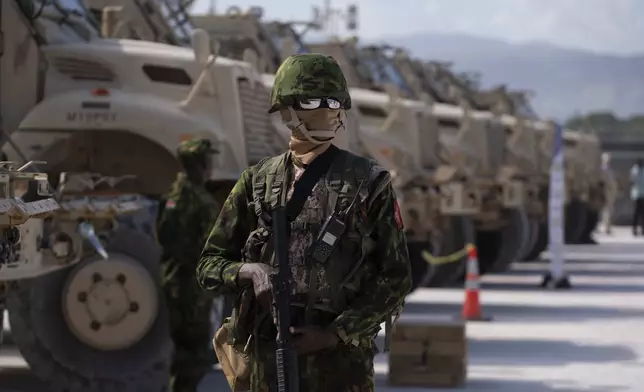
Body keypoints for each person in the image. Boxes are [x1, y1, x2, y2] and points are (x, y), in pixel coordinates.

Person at [197, 53, 412, 392]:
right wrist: (252, 272)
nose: (326, 109)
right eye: (312, 101)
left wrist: (334, 334)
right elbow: (209, 265)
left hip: (341, 367)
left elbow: (396, 279)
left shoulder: (369, 183)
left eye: (333, 101)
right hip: (269, 357)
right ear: (287, 109)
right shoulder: (257, 182)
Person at [157, 138, 221, 392]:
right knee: (195, 353)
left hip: (172, 279)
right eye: (208, 161)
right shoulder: (203, 203)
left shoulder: (172, 196)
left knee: (180, 350)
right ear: (200, 164)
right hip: (194, 288)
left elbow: (162, 236)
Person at [600, 153, 617, 235]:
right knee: (606, 211)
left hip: (610, 192)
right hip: (606, 192)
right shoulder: (603, 169)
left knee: (609, 211)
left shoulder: (609, 169)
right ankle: (606, 228)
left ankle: (608, 227)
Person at [630, 158, 644, 236]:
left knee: (640, 213)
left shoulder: (635, 171)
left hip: (640, 195)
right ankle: (635, 229)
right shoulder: (635, 170)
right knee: (637, 213)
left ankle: (640, 229)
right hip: (637, 195)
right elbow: (632, 180)